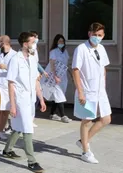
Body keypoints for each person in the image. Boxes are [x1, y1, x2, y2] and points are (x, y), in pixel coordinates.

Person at [2, 32, 45, 172]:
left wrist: (41, 99)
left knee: (20, 126)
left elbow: (35, 81)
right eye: (33, 42)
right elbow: (11, 83)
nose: (35, 44)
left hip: (31, 99)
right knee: (27, 129)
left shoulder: (32, 59)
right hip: (20, 99)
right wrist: (13, 105)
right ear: (25, 44)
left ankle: (7, 150)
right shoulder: (15, 59)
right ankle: (32, 161)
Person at [72, 22, 111, 164]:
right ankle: (85, 151)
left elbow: (104, 68)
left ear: (103, 36)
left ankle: (83, 141)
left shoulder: (101, 48)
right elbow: (75, 70)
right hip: (87, 91)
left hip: (100, 91)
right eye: (94, 34)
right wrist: (81, 92)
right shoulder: (81, 49)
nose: (97, 37)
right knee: (86, 120)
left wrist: (104, 85)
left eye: (99, 35)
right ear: (89, 33)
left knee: (106, 119)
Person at [41, 34, 72, 123]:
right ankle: (63, 115)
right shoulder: (53, 52)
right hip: (54, 77)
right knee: (59, 95)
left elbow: (67, 65)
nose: (61, 43)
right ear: (56, 42)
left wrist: (71, 75)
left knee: (57, 96)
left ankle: (52, 114)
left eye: (62, 41)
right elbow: (52, 64)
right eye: (59, 41)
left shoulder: (65, 52)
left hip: (63, 77)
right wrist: (55, 76)